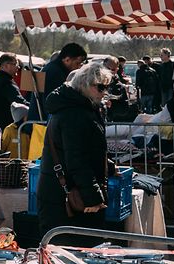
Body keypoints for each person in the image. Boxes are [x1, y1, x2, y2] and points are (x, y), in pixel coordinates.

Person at [36, 63, 116, 242]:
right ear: (84, 85)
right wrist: (92, 197)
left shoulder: (78, 109)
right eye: (100, 87)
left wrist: (108, 166)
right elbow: (77, 159)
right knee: (71, 257)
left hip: (62, 195)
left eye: (106, 87)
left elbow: (84, 151)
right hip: (66, 200)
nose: (104, 92)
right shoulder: (75, 113)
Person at [0, 53, 27, 131]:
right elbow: (18, 101)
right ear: (6, 65)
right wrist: (33, 108)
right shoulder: (6, 82)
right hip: (4, 124)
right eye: (15, 64)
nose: (18, 67)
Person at [41, 43, 88, 107]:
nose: (79, 67)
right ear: (67, 60)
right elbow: (55, 100)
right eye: (77, 63)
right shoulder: (54, 72)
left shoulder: (54, 68)